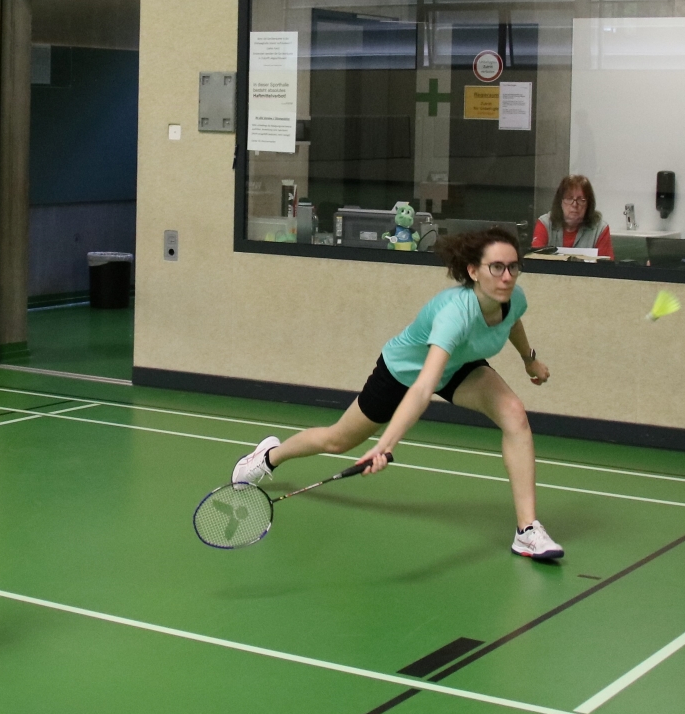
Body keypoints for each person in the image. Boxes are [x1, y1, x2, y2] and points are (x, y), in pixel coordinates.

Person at [231, 226, 565, 561]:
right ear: (473, 271)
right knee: (338, 440)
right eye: (496, 267)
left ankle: (527, 530)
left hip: (458, 366)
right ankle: (269, 457)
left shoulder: (514, 299)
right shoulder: (454, 315)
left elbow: (512, 322)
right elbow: (422, 388)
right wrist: (385, 444)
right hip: (404, 372)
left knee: (513, 414)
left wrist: (529, 360)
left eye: (513, 267)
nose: (507, 276)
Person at [531, 175, 612, 257]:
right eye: (569, 198)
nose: (574, 204)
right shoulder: (544, 224)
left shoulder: (600, 229)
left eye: (581, 199)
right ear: (560, 202)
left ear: (588, 204)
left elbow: (605, 264)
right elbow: (535, 261)